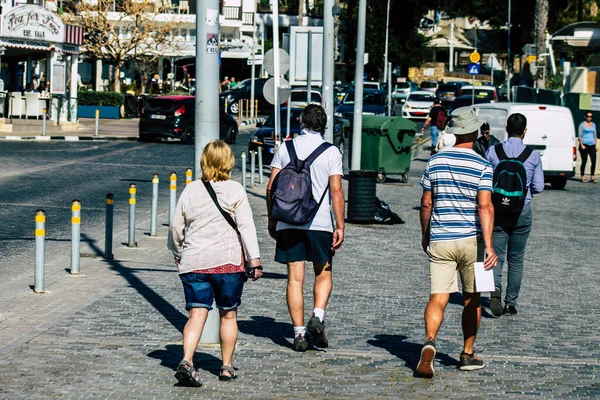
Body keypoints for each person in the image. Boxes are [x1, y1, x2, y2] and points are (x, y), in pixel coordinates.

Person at [168, 140, 263, 386]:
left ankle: (187, 360)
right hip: (228, 263)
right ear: (228, 162)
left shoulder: (191, 190)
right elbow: (246, 227)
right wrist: (255, 259)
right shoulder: (235, 190)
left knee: (196, 314)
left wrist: (178, 252)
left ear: (205, 161)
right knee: (228, 316)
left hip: (195, 262)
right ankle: (227, 367)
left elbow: (176, 227)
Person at [417, 107, 498, 378]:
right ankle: (467, 352)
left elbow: (426, 202)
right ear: (474, 131)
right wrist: (489, 246)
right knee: (472, 298)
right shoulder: (482, 164)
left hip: (441, 238)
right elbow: (485, 207)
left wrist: (426, 234)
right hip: (471, 241)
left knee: (438, 297)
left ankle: (430, 341)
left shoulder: (436, 161)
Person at [266, 104, 345, 352]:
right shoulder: (331, 152)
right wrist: (340, 225)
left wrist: (272, 220)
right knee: (323, 273)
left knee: (294, 279)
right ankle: (317, 315)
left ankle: (299, 334)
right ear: (324, 125)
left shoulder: (285, 147)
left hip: (288, 221)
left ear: (301, 121)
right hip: (319, 223)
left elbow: (271, 188)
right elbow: (336, 191)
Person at [485, 113, 544, 317]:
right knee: (517, 259)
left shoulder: (493, 151)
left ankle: (495, 288)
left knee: (496, 256)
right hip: (521, 211)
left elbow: (485, 181)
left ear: (506, 129)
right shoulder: (533, 155)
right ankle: (511, 303)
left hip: (498, 211)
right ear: (524, 131)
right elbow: (539, 186)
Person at [578, 112, 598, 183]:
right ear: (585, 117)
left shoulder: (593, 125)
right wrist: (581, 144)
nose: (589, 117)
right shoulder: (582, 125)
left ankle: (592, 176)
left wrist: (596, 145)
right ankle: (582, 176)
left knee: (594, 161)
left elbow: (595, 136)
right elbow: (579, 136)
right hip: (584, 145)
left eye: (591, 116)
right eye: (588, 116)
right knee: (584, 161)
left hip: (592, 144)